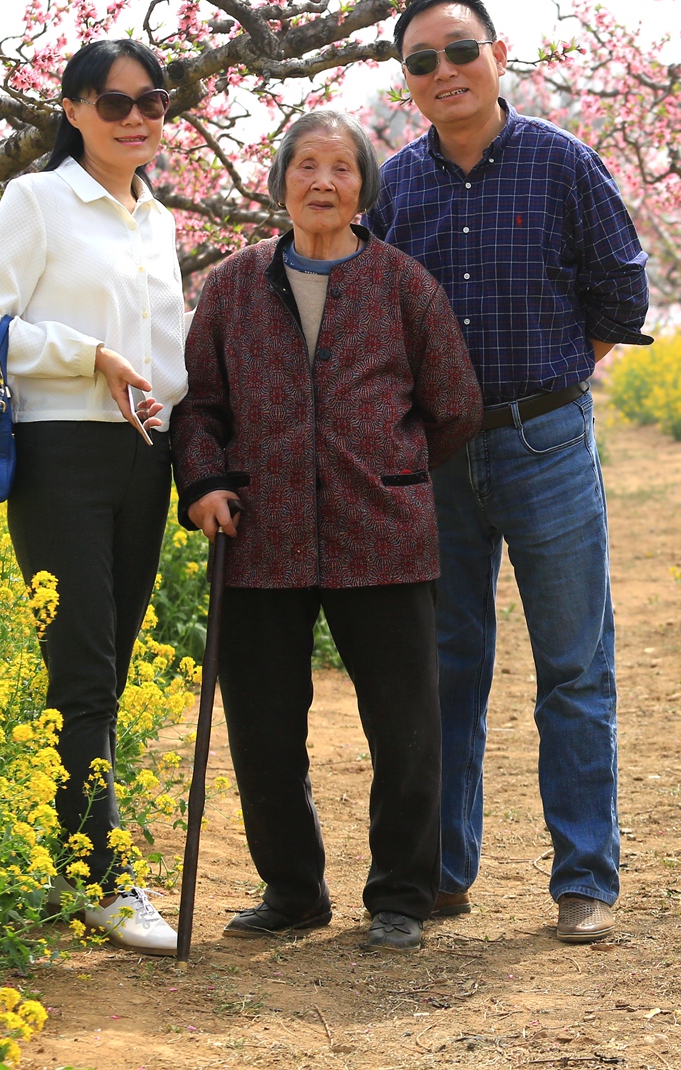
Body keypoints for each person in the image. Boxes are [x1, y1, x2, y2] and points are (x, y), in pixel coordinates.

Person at [367, 0, 652, 944]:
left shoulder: (563, 162)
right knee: (447, 669)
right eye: (421, 61)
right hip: (436, 454)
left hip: (546, 441)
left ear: (497, 54)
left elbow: (622, 290)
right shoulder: (394, 186)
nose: (443, 71)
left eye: (459, 51)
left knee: (573, 666)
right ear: (406, 80)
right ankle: (444, 871)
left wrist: (554, 383)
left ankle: (584, 878)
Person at [173, 108, 482, 952]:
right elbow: (199, 404)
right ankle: (294, 890)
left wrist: (392, 467)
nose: (322, 182)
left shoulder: (404, 284)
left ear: (363, 188)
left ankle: (401, 895)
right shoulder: (235, 284)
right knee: (266, 730)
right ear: (280, 183)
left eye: (341, 168)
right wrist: (202, 480)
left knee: (407, 728)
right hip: (260, 533)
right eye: (305, 165)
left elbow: (453, 403)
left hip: (380, 530)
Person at [0, 38, 187, 955]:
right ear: (75, 108)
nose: (136, 118)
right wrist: (87, 355)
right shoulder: (39, 199)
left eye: (153, 102)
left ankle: (72, 852)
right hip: (60, 453)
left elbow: (169, 351)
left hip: (147, 457)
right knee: (84, 667)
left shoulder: (158, 218)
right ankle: (101, 875)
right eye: (114, 102)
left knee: (111, 666)